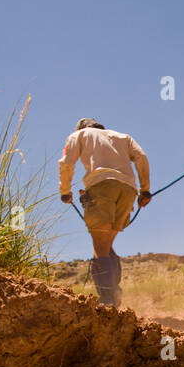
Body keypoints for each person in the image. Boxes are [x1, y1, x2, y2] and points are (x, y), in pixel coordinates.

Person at [58, 118, 151, 305]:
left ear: (82, 128)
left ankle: (108, 301)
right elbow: (141, 157)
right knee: (106, 244)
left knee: (100, 246)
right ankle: (114, 294)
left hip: (101, 186)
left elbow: (66, 163)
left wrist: (65, 191)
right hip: (128, 191)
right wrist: (145, 191)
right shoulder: (123, 137)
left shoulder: (79, 135)